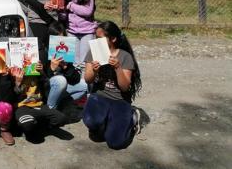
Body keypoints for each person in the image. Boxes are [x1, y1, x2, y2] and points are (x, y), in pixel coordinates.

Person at [82, 21, 143, 150]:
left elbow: (125, 87)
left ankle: (131, 118)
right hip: (99, 96)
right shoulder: (93, 52)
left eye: (100, 38)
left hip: (119, 99)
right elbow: (87, 80)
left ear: (113, 39)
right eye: (95, 37)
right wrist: (94, 70)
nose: (96, 41)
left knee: (115, 142)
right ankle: (105, 121)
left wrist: (118, 68)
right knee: (92, 125)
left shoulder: (125, 57)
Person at [12, 63, 67, 142]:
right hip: (22, 107)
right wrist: (17, 83)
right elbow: (10, 95)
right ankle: (28, 127)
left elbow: (47, 85)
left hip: (39, 105)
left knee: (61, 119)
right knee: (28, 125)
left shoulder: (35, 71)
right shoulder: (13, 72)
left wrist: (42, 72)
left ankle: (37, 124)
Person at [46, 22, 88, 109]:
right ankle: (50, 108)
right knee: (61, 81)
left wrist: (66, 67)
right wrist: (51, 68)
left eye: (63, 38)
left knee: (85, 86)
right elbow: (42, 80)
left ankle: (60, 104)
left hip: (63, 88)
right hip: (48, 89)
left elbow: (75, 79)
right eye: (57, 38)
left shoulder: (66, 51)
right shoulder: (44, 51)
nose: (60, 41)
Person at [65, 0, 97, 68]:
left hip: (87, 31)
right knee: (73, 62)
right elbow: (63, 15)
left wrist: (71, 5)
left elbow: (88, 11)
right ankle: (75, 83)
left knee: (85, 62)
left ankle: (85, 82)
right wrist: (59, 9)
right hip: (71, 31)